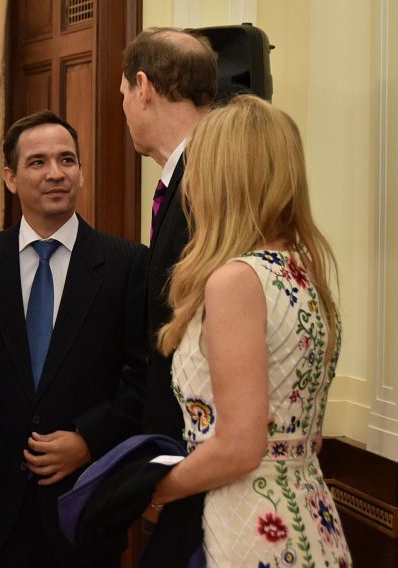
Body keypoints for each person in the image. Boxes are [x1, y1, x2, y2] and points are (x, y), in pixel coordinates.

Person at [146, 94, 352, 566]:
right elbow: (303, 433)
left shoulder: (238, 279)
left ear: (222, 177)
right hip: (313, 520)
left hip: (252, 529)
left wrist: (150, 490)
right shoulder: (306, 272)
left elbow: (240, 447)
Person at [0, 111, 149, 568]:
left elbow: (147, 375)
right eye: (38, 162)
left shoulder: (126, 264)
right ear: (10, 177)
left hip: (84, 508)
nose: (55, 174)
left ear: (81, 171)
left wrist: (89, 438)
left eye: (67, 160)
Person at [120, 27, 217, 442]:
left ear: (142, 87)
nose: (124, 107)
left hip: (200, 438)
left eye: (123, 93)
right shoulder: (187, 170)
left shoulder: (211, 175)